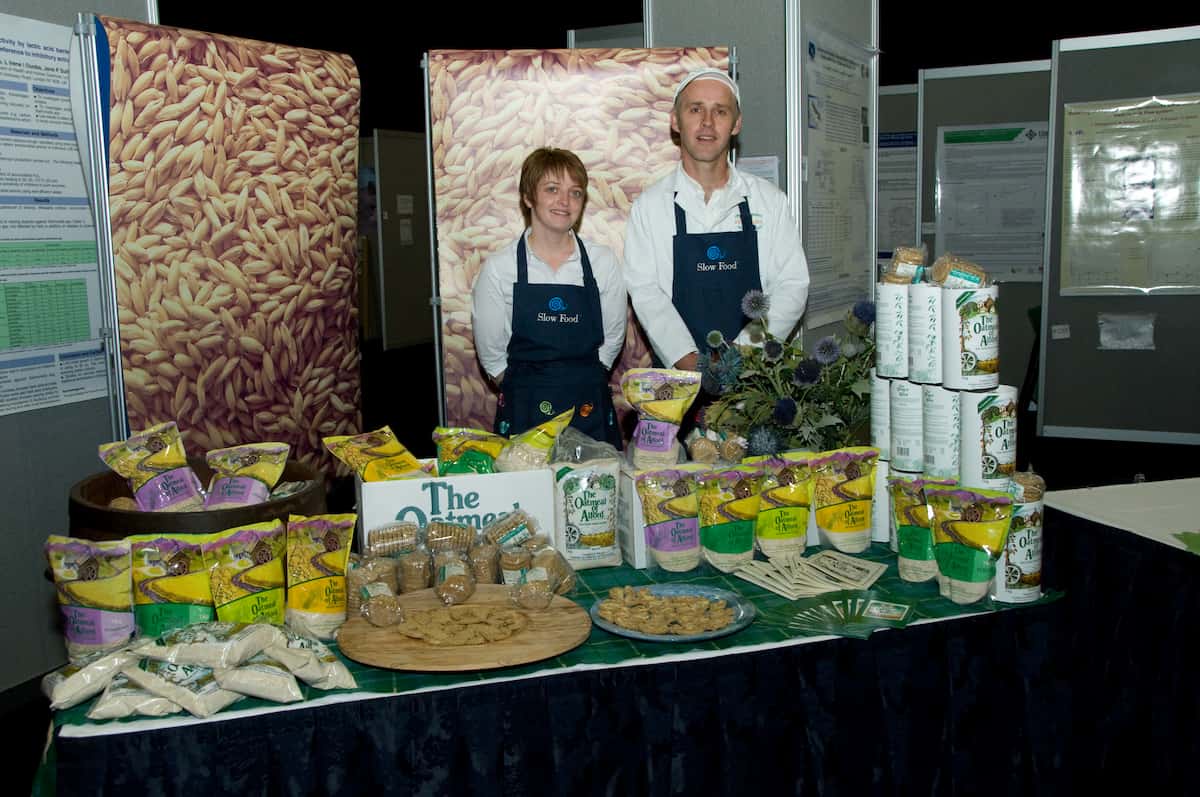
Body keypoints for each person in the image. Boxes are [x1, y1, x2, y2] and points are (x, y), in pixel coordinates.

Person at [624, 68, 810, 372]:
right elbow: (646, 293)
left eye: (720, 111)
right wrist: (690, 363)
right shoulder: (650, 206)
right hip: (677, 383)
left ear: (736, 124)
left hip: (754, 382)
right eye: (695, 109)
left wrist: (742, 354)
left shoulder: (769, 201)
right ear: (675, 120)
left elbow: (792, 285)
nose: (707, 122)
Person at [472, 147, 626, 447]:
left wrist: (582, 381)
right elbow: (491, 352)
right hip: (526, 405)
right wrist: (530, 386)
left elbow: (613, 336)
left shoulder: (602, 262)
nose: (564, 202)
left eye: (575, 192)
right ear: (528, 197)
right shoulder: (500, 268)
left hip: (588, 406)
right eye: (552, 189)